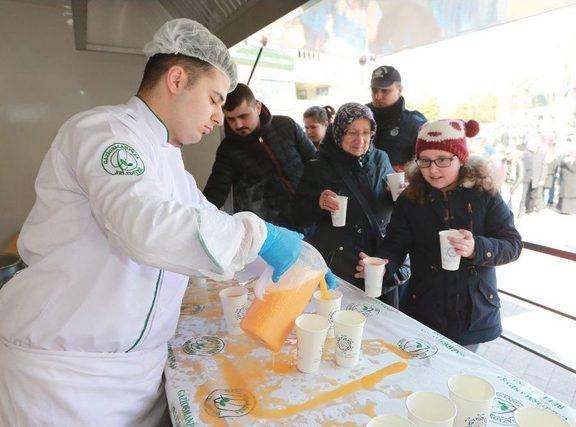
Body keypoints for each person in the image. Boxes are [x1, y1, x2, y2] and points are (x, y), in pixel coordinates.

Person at [0, 19, 334, 425]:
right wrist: (261, 234)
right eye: (213, 99)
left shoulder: (171, 163)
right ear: (177, 79)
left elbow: (205, 228)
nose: (217, 117)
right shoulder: (105, 133)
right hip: (64, 377)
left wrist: (296, 261)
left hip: (139, 374)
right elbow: (145, 228)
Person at [356, 119, 522, 350]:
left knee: (460, 378)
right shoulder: (410, 198)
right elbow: (395, 243)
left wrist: (476, 247)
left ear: (461, 158)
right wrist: (383, 265)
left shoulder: (484, 193)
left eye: (443, 159)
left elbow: (512, 244)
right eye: (425, 160)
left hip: (472, 312)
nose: (433, 169)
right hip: (424, 306)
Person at [294, 103, 405, 307]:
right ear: (338, 132)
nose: (360, 140)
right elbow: (297, 215)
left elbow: (393, 206)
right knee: (341, 322)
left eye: (366, 132)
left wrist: (400, 195)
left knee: (382, 324)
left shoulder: (381, 158)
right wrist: (318, 203)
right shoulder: (318, 166)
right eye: (352, 132)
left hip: (378, 260)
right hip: (339, 265)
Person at [203, 84, 317, 229]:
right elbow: (215, 193)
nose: (238, 125)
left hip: (310, 215)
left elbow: (315, 163)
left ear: (257, 108)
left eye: (244, 116)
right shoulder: (228, 150)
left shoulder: (286, 125)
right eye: (231, 119)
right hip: (270, 232)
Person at [366, 65, 427, 171]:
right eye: (374, 90)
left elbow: (426, 164)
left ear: (399, 90)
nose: (378, 96)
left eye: (385, 91)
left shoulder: (415, 124)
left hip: (399, 185)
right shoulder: (359, 119)